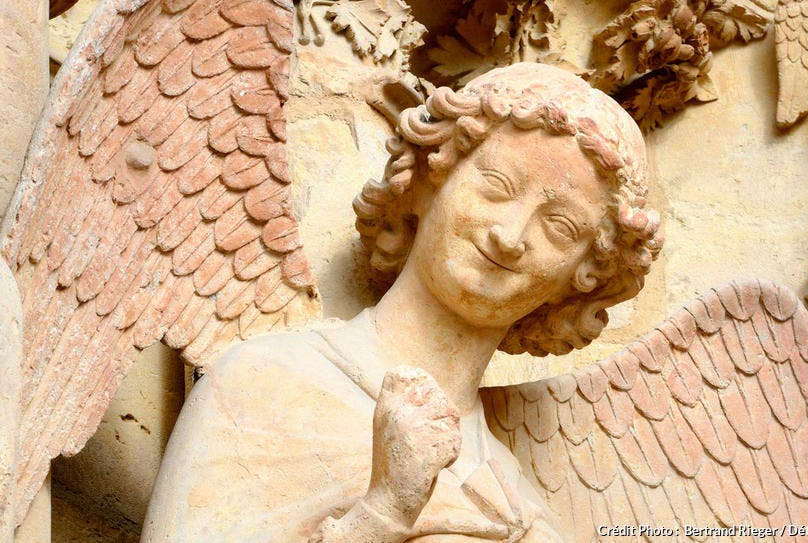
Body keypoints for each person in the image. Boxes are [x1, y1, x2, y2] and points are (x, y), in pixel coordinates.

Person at [141, 63, 662, 542]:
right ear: (428, 181)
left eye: (560, 228)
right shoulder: (270, 380)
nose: (511, 235)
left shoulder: (521, 504)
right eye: (497, 186)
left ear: (580, 280)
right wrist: (384, 512)